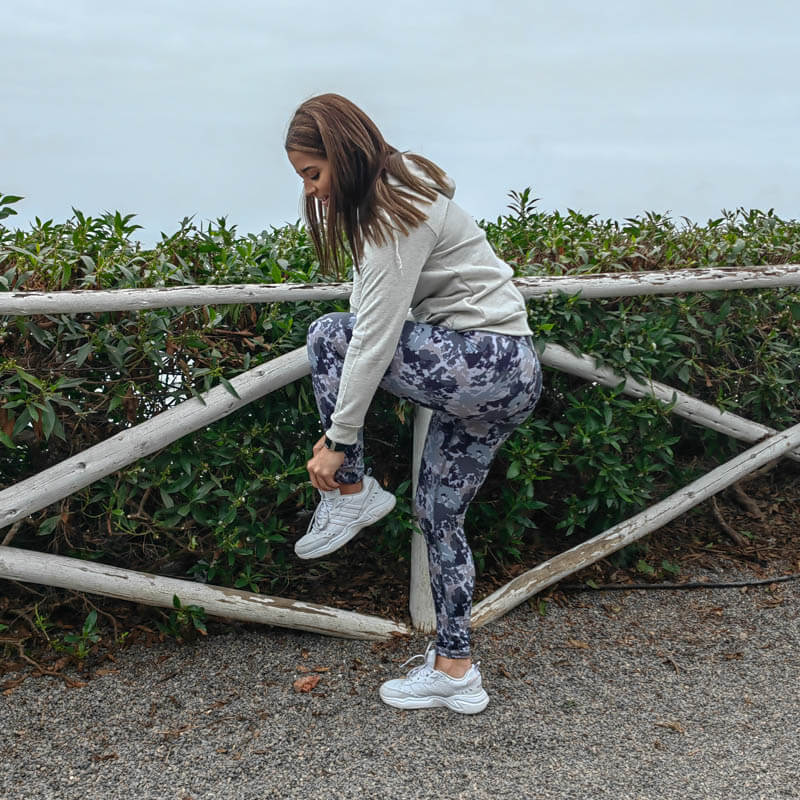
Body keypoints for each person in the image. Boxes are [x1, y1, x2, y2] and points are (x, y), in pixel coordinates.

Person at [285, 94, 542, 714]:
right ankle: (456, 669)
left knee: (330, 334)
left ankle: (351, 492)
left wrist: (341, 442)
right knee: (437, 516)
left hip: (484, 361)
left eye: (313, 175)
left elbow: (371, 332)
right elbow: (374, 302)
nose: (313, 193)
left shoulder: (393, 209)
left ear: (342, 156)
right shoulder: (402, 195)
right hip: (505, 379)